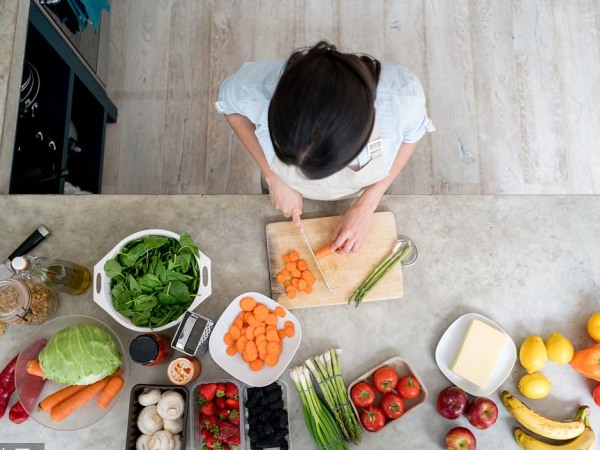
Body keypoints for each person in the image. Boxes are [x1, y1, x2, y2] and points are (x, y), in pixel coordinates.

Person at [215, 41, 434, 253]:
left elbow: (411, 136)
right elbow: (230, 108)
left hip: (364, 191)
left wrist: (367, 205)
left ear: (371, 116)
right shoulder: (255, 88)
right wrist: (273, 176)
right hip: (281, 189)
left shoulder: (402, 98)